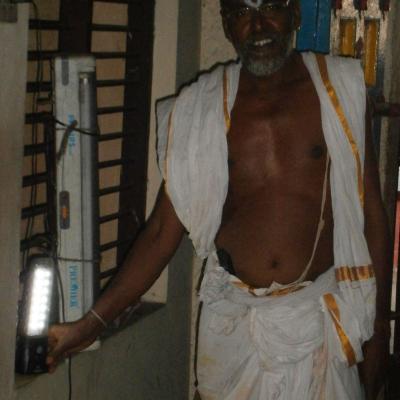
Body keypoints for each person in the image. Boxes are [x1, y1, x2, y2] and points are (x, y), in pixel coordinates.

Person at [47, 0, 391, 399]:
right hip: (235, 329)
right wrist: (89, 325)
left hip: (316, 326)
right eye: (242, 12)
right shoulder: (203, 109)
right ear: (228, 26)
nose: (259, 24)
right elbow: (161, 231)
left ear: (294, 15)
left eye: (271, 7)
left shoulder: (342, 89)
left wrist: (380, 330)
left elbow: (372, 216)